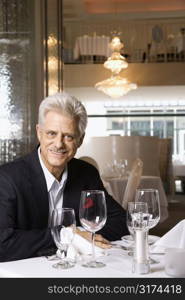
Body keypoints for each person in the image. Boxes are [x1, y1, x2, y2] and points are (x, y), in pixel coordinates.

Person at [0, 92, 128, 262]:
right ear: (39, 132)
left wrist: (82, 234)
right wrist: (68, 235)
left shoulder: (86, 173)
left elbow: (121, 221)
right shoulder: (8, 178)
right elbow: (3, 243)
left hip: (76, 270)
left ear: (80, 140)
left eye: (68, 136)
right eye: (51, 133)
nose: (59, 144)